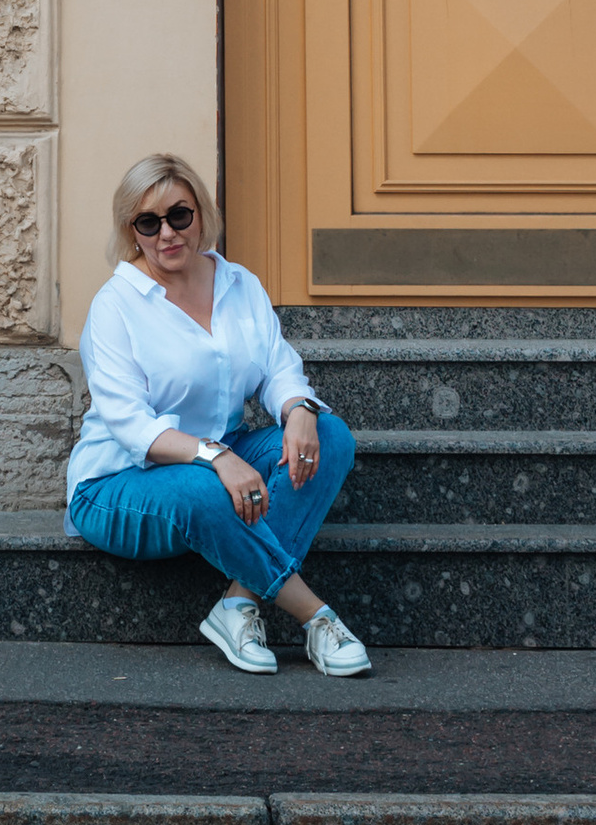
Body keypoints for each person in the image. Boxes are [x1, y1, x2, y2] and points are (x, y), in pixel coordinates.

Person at [64, 151, 372, 677]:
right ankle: (316, 618)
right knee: (206, 487)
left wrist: (297, 409)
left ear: (201, 214)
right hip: (120, 481)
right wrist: (215, 456)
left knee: (331, 435)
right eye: (149, 222)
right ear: (131, 231)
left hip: (221, 452)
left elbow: (278, 369)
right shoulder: (115, 306)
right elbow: (131, 425)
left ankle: (237, 604)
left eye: (179, 215)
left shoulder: (238, 284)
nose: (167, 233)